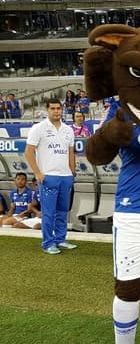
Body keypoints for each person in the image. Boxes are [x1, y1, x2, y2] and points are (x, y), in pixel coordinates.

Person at [24, 98, 77, 254]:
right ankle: (48, 243)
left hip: (66, 176)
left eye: (58, 108)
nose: (56, 111)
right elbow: (28, 152)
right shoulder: (38, 128)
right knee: (49, 212)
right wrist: (38, 173)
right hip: (49, 176)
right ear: (47, 110)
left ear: (62, 110)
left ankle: (61, 239)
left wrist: (72, 172)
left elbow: (71, 152)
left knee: (62, 210)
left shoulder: (68, 130)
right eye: (53, 108)